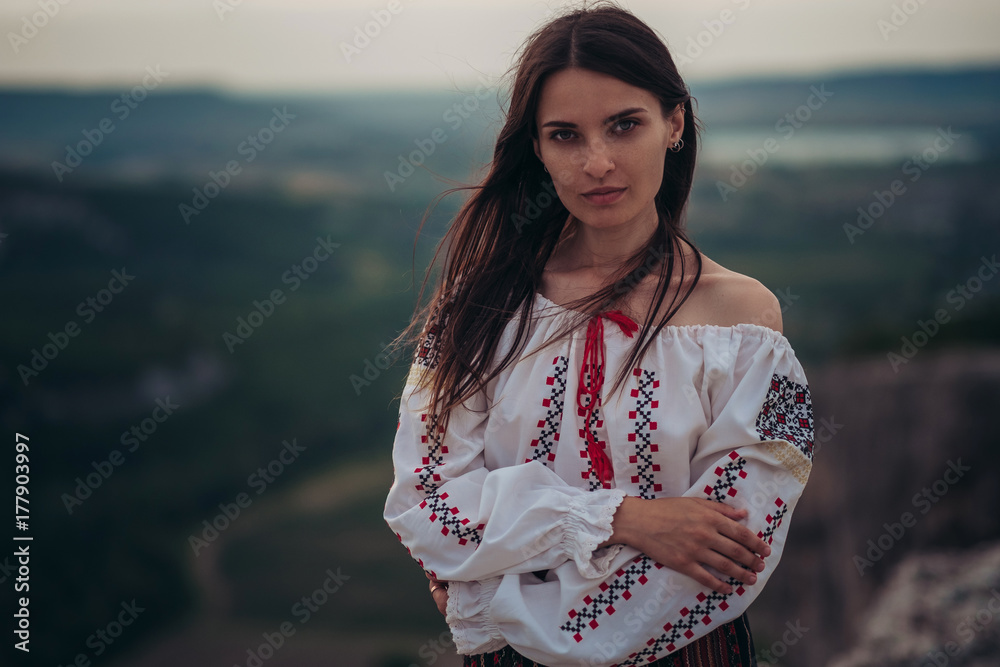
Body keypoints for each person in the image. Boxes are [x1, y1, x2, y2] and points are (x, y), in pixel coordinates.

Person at [383, 2, 815, 665]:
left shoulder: (743, 322)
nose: (596, 162)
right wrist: (629, 518)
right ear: (536, 147)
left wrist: (499, 593)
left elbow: (735, 545)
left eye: (624, 125)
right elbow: (428, 505)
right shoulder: (475, 310)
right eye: (565, 135)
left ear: (674, 123)